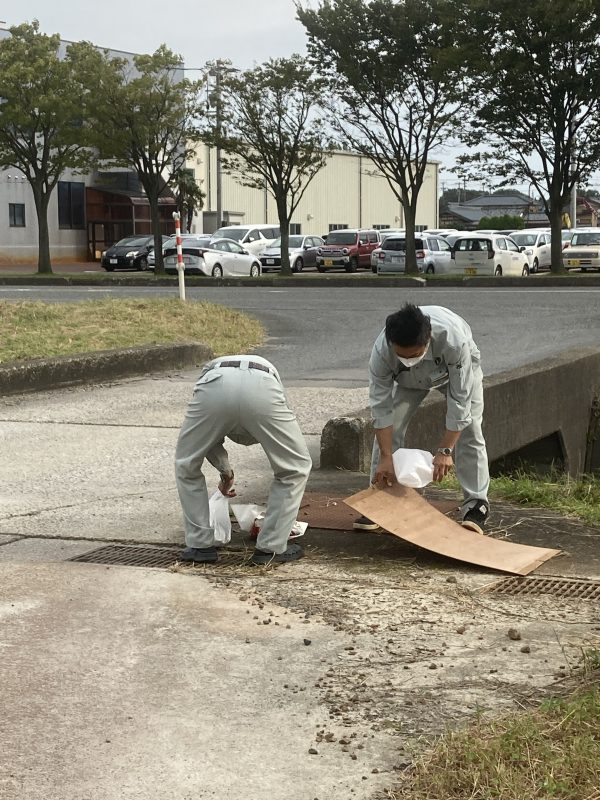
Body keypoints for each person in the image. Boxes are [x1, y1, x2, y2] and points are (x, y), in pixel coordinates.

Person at [354, 304, 490, 534]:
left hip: (451, 371)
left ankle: (476, 504)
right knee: (391, 427)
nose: (408, 359)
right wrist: (387, 457)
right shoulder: (382, 352)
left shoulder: (453, 340)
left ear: (427, 341)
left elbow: (460, 402)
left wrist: (445, 451)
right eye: (402, 355)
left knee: (471, 428)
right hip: (410, 380)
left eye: (414, 354)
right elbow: (381, 407)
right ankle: (381, 496)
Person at [175, 355, 312, 565]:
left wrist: (225, 470)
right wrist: (225, 471)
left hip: (214, 384)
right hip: (262, 384)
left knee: (187, 465)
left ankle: (199, 546)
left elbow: (208, 442)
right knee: (294, 468)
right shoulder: (271, 381)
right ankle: (271, 549)